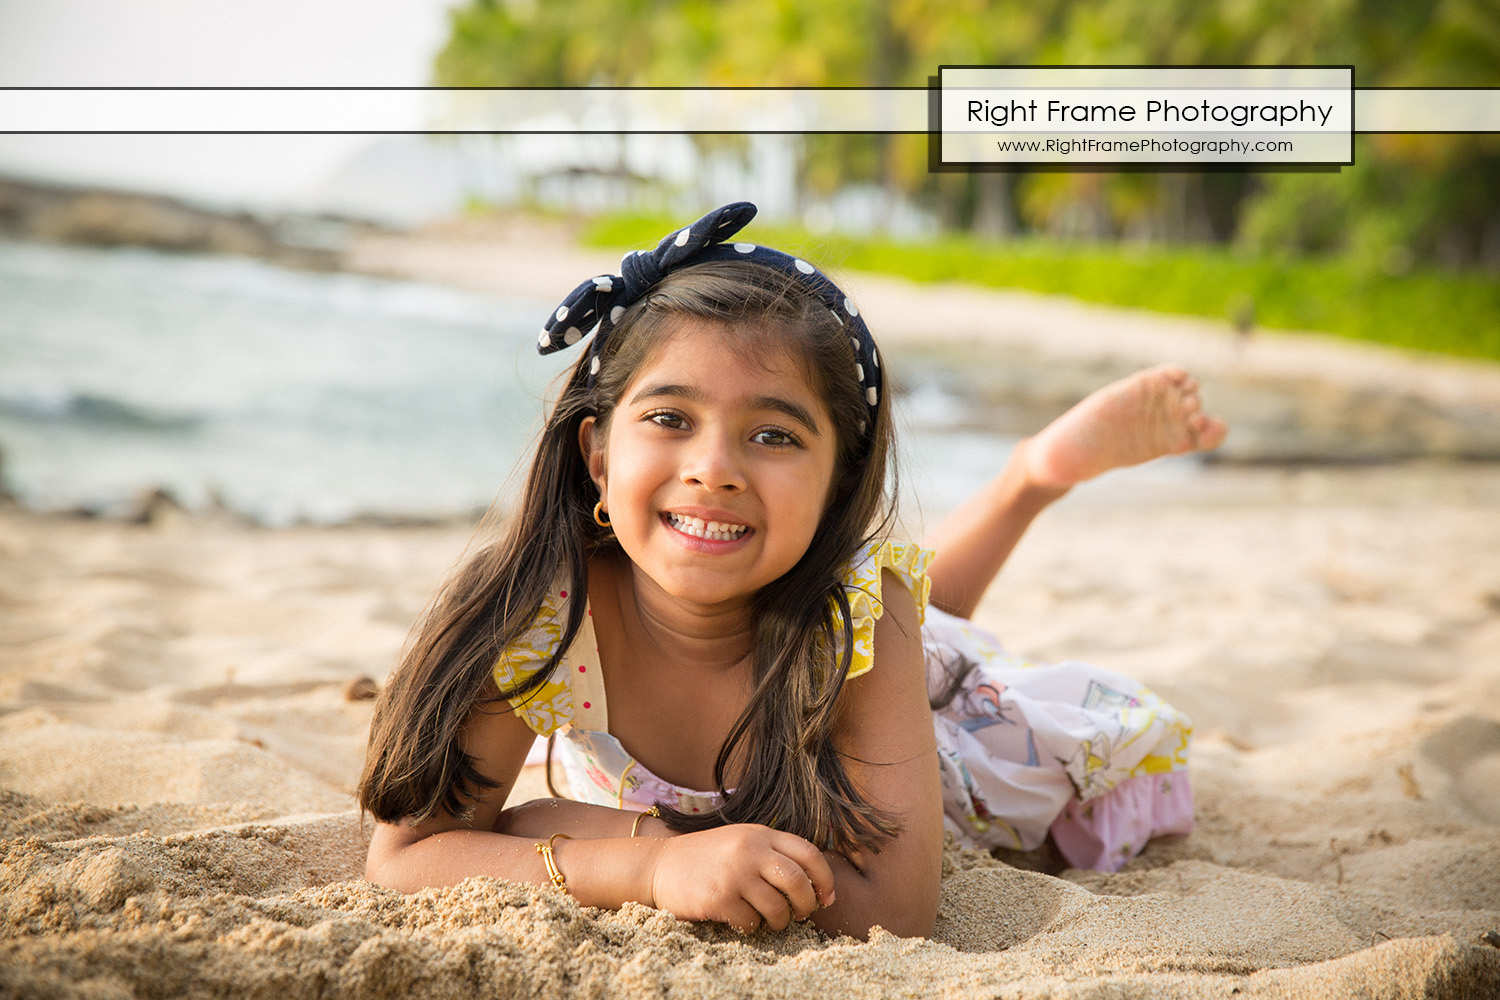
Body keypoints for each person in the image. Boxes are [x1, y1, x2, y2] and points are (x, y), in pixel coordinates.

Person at [357, 203, 1228, 940]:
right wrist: (654, 863)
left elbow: (898, 908)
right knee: (906, 634)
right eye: (668, 417)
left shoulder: (860, 605)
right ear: (596, 453)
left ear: (840, 480)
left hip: (946, 734)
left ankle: (1028, 479)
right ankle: (1028, 478)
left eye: (774, 435)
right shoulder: (536, 610)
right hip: (843, 670)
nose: (715, 468)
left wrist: (609, 849)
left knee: (914, 643)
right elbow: (404, 856)